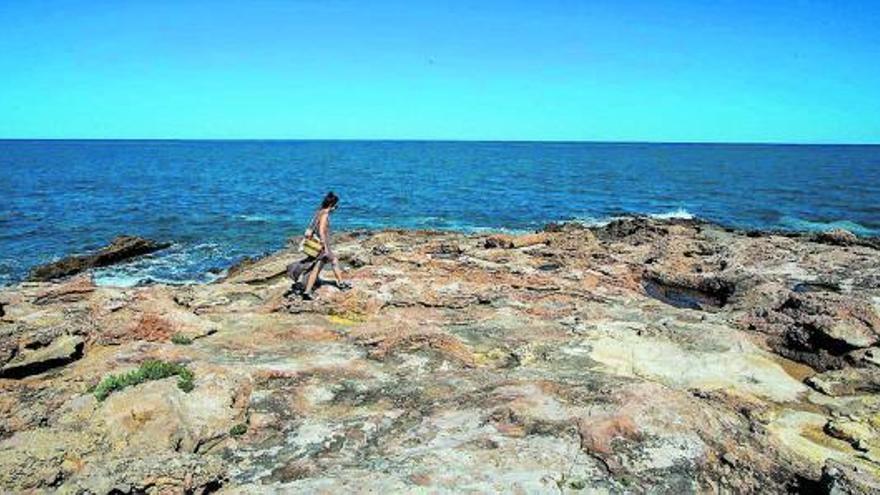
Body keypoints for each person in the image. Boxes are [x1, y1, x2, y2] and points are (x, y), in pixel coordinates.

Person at [285, 192, 350, 299]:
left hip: (317, 244)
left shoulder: (318, 212)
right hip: (321, 246)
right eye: (336, 206)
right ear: (331, 205)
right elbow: (321, 231)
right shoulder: (325, 214)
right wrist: (324, 247)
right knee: (317, 268)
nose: (336, 208)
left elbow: (311, 227)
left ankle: (340, 282)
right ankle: (307, 291)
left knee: (333, 261)